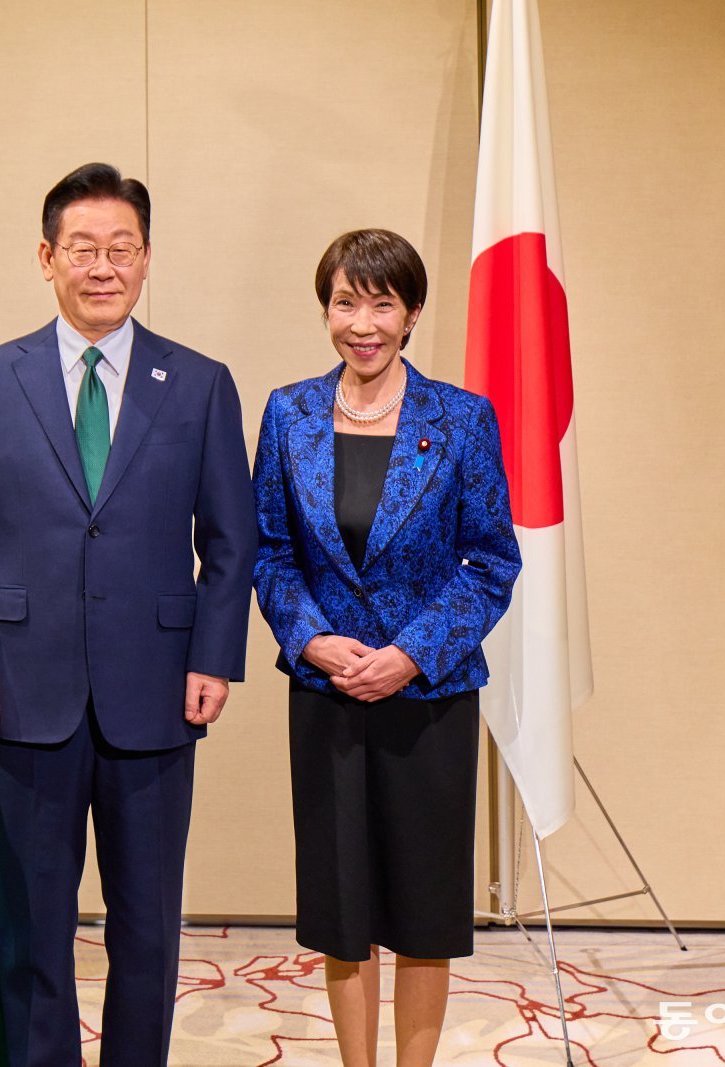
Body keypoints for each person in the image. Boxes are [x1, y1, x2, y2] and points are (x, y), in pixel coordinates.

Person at [0, 162, 257, 1067]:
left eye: (122, 249)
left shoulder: (197, 383)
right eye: (83, 248)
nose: (102, 266)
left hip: (155, 691)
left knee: (147, 926)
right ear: (46, 257)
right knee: (31, 925)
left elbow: (231, 542)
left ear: (147, 258)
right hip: (22, 691)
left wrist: (213, 656)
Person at [251, 229, 520, 1066]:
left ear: (410, 314)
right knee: (343, 908)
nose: (361, 322)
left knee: (423, 909)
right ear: (325, 307)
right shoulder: (289, 411)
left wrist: (410, 653)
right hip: (327, 695)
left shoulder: (463, 418)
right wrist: (312, 640)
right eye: (344, 301)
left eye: (382, 303)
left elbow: (491, 560)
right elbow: (270, 550)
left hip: (427, 699)